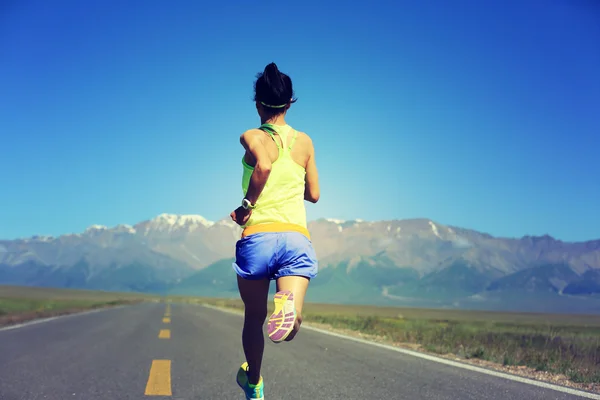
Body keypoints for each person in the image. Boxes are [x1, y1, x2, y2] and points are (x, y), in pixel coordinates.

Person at [229, 62, 320, 400]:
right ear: (290, 104)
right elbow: (313, 194)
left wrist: (246, 206)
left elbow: (264, 165)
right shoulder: (305, 142)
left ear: (258, 104)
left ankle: (254, 384)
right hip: (295, 237)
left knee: (254, 317)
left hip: (259, 235)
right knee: (289, 317)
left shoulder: (252, 136)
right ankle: (290, 313)